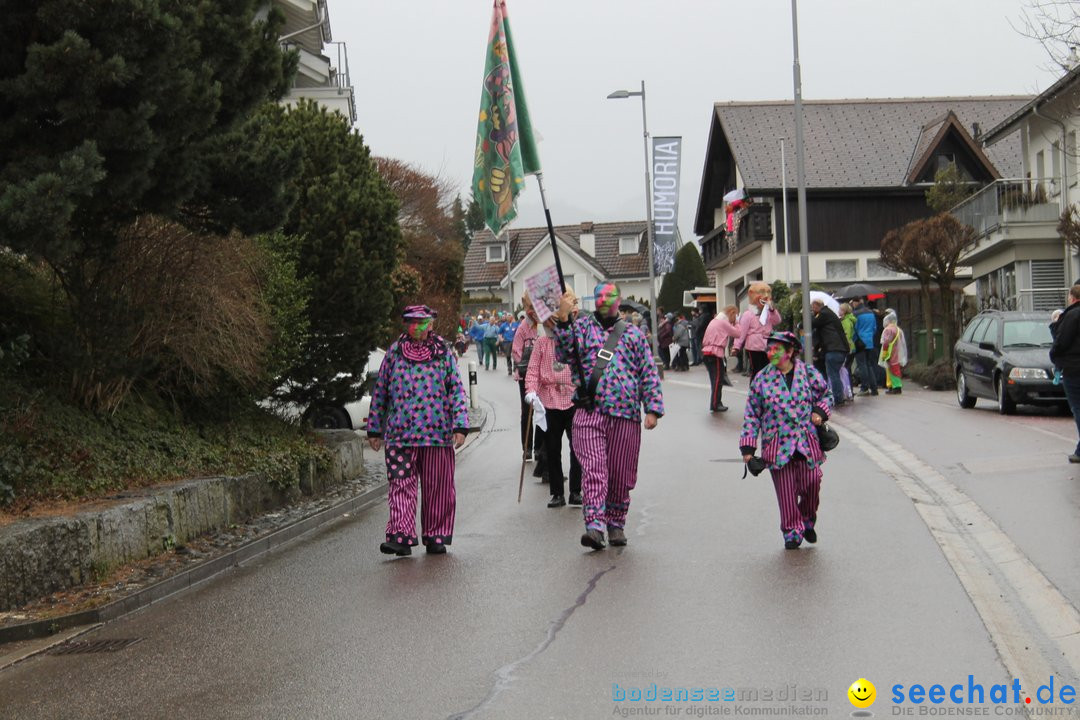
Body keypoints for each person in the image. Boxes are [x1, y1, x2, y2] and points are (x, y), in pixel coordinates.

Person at [553, 281, 664, 550]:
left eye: (609, 296)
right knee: (594, 469)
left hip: (625, 415)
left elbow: (648, 372)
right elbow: (564, 353)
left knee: (619, 474)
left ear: (619, 300)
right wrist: (564, 318)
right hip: (589, 411)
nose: (604, 300)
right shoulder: (580, 328)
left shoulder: (634, 335)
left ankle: (615, 522)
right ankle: (594, 525)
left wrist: (652, 408)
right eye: (599, 296)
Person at [366, 305, 469, 556]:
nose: (417, 327)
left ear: (431, 324)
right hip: (400, 434)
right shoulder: (394, 353)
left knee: (438, 486)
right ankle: (401, 536)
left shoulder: (443, 352)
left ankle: (435, 535)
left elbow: (455, 389)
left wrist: (460, 424)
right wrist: (374, 429)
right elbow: (381, 392)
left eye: (422, 322)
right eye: (411, 322)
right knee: (400, 484)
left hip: (436, 434)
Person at [739, 331, 833, 549]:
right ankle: (792, 532)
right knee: (786, 492)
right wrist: (748, 449)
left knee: (813, 482)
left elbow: (826, 395)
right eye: (769, 349)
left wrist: (820, 411)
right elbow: (752, 414)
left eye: (776, 349)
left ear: (790, 352)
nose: (770, 353)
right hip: (777, 446)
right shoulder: (762, 379)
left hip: (806, 442)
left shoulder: (808, 373)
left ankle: (807, 519)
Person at [525, 316, 583, 508]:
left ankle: (576, 490)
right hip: (549, 399)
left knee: (577, 447)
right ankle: (557, 492)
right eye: (548, 322)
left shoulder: (574, 340)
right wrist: (531, 391)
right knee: (552, 448)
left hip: (572, 397)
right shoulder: (541, 343)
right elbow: (533, 370)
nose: (552, 325)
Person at [512, 294, 546, 468]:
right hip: (525, 375)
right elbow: (516, 351)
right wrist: (525, 366)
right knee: (527, 411)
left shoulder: (543, 326)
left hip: (542, 375)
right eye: (530, 308)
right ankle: (526, 448)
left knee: (542, 410)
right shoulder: (523, 328)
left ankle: (539, 447)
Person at [1049, 284, 1080, 463]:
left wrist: (1054, 355)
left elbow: (1061, 342)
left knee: (1077, 409)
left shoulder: (1072, 315)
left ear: (1072, 297)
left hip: (1074, 369)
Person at [734, 281, 782, 380]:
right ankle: (755, 391)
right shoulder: (748, 314)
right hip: (754, 347)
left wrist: (772, 310)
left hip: (768, 345)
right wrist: (736, 346)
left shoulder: (769, 312)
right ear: (751, 294)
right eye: (762, 292)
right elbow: (741, 332)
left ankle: (766, 392)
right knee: (756, 371)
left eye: (768, 292)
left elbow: (777, 321)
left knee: (769, 371)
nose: (766, 295)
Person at [702, 305, 741, 412]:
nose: (735, 318)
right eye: (735, 315)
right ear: (732, 313)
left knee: (714, 380)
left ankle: (716, 402)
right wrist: (737, 323)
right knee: (718, 380)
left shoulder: (714, 321)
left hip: (707, 352)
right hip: (715, 353)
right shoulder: (723, 322)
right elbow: (738, 333)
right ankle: (715, 404)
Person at [811, 299, 850, 406]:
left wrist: (806, 319)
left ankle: (838, 399)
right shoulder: (829, 314)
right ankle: (840, 396)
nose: (812, 310)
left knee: (833, 375)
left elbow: (812, 323)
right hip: (840, 349)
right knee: (835, 374)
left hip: (834, 349)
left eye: (813, 307)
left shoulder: (824, 314)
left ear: (817, 306)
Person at [851, 297, 879, 396]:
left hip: (859, 342)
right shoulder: (871, 312)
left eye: (852, 302)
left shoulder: (855, 314)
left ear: (856, 302)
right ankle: (874, 388)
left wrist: (853, 340)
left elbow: (854, 329)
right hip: (869, 341)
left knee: (862, 365)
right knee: (869, 365)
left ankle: (864, 388)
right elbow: (875, 328)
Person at [879, 309, 907, 394]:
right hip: (897, 352)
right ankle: (895, 386)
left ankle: (896, 387)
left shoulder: (888, 330)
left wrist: (884, 354)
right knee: (896, 369)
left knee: (891, 370)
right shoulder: (898, 329)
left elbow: (886, 342)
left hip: (890, 352)